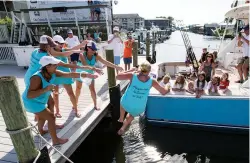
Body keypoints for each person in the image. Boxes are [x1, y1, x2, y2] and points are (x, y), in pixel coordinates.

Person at [22, 56, 98, 145]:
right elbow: (29, 95)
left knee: (43, 115)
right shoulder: (36, 78)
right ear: (47, 66)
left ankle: (41, 131)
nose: (57, 66)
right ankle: (55, 140)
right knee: (51, 117)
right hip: (31, 102)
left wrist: (87, 75)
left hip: (40, 99)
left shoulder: (53, 72)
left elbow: (70, 75)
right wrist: (46, 89)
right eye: (55, 65)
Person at [52, 35, 102, 118]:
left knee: (71, 93)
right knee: (56, 94)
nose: (61, 45)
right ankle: (57, 111)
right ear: (54, 43)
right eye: (60, 43)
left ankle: (76, 110)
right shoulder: (51, 53)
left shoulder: (64, 50)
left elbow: (74, 49)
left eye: (62, 43)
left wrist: (82, 44)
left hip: (66, 74)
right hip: (55, 74)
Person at [116, 62, 169, 135]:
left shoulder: (132, 75)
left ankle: (121, 118)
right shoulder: (152, 81)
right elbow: (163, 92)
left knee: (122, 100)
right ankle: (123, 127)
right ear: (149, 71)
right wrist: (168, 86)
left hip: (126, 103)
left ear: (140, 69)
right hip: (139, 108)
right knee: (131, 114)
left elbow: (117, 76)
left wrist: (131, 70)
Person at [75, 41, 123, 110]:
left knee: (92, 90)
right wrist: (96, 69)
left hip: (90, 74)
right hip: (81, 73)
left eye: (95, 49)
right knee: (78, 89)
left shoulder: (96, 56)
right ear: (88, 48)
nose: (94, 51)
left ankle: (95, 105)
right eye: (93, 49)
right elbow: (85, 65)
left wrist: (116, 67)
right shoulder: (82, 54)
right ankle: (75, 103)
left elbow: (106, 62)